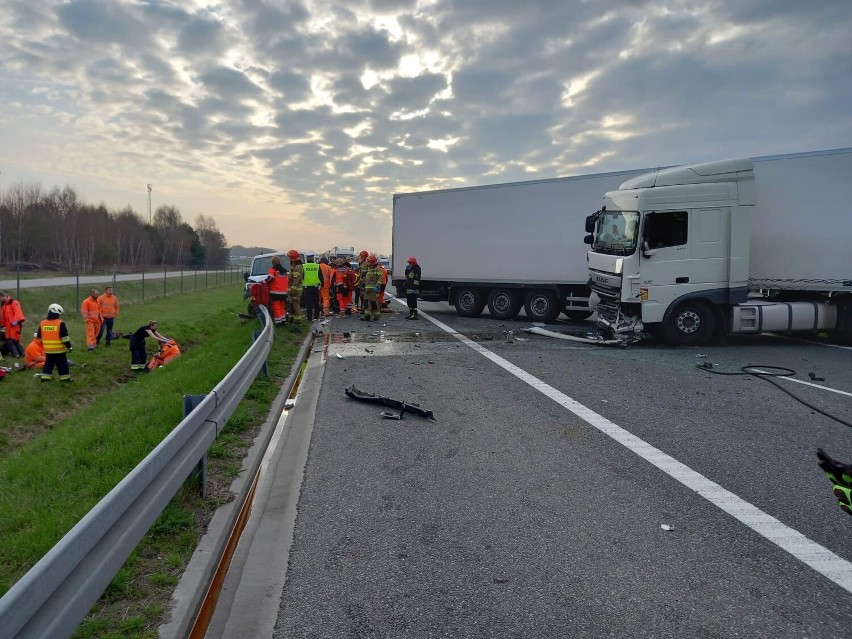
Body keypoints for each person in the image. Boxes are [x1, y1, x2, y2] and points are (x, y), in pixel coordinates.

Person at [38, 303, 73, 382]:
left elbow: (39, 337)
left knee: (48, 365)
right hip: (59, 351)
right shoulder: (60, 323)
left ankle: (45, 379)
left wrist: (46, 345)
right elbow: (65, 338)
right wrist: (69, 347)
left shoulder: (42, 323)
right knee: (62, 365)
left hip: (48, 351)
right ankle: (65, 379)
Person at [0, 291, 26, 358]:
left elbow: (18, 313)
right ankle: (17, 354)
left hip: (15, 325)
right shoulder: (3, 305)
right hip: (8, 326)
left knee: (15, 341)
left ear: (2, 297)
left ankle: (21, 353)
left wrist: (16, 322)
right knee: (9, 341)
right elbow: (3, 316)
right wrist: (2, 325)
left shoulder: (14, 303)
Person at [359, 255, 383, 322]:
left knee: (374, 303)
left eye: (368, 261)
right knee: (366, 303)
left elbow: (380, 279)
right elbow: (365, 278)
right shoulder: (368, 269)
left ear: (372, 262)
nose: (367, 263)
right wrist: (363, 283)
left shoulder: (378, 269)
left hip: (373, 290)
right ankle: (367, 316)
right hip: (367, 290)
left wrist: (377, 286)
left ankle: (376, 316)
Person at [266, 256, 289, 325]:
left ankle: (278, 322)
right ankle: (283, 320)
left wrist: (265, 281)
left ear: (273, 263)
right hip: (284, 292)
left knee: (276, 308)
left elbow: (270, 278)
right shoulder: (284, 271)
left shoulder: (272, 269)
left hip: (275, 292)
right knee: (282, 307)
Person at [301, 252, 323, 321]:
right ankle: (316, 316)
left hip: (307, 287)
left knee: (308, 303)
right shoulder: (317, 266)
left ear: (307, 259)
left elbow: (302, 276)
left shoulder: (303, 266)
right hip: (315, 287)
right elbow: (321, 277)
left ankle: (309, 317)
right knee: (316, 302)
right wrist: (321, 285)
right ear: (313, 258)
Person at [286, 249, 304, 327]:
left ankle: (298, 322)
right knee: (292, 306)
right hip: (294, 290)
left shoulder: (298, 267)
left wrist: (292, 289)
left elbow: (296, 280)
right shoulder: (294, 267)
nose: (288, 259)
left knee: (296, 305)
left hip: (296, 290)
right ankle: (292, 320)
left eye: (289, 257)